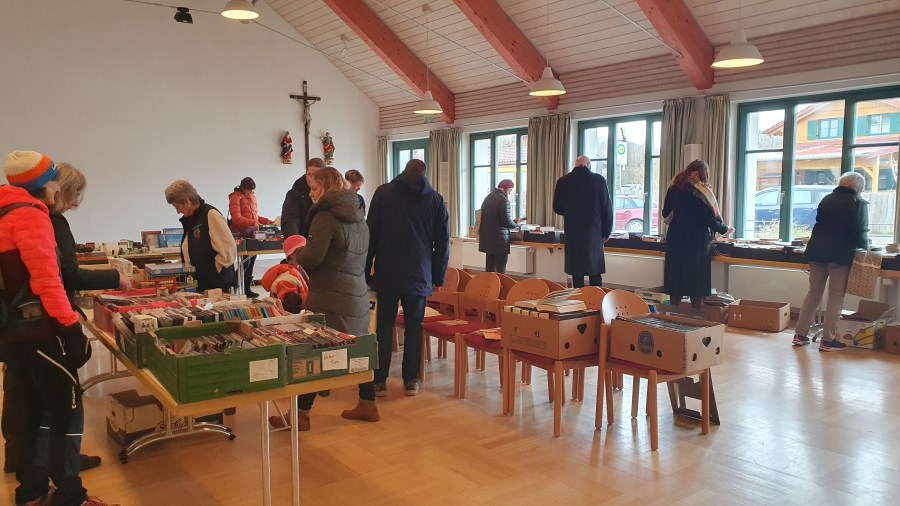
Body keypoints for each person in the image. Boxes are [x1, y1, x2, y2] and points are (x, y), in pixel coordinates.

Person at [0, 150, 117, 506]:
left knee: (27, 412)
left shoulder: (4, 212)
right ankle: (71, 497)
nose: (57, 188)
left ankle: (32, 493)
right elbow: (49, 281)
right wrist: (72, 330)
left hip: (11, 334)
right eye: (53, 181)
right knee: (67, 411)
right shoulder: (32, 217)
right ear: (44, 185)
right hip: (41, 331)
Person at [273, 167, 377, 430]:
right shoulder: (359, 216)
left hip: (329, 294)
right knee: (359, 348)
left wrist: (300, 255)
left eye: (314, 188)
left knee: (312, 351)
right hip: (356, 293)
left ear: (326, 188)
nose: (311, 193)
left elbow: (313, 257)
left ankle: (300, 415)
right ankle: (367, 403)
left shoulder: (325, 217)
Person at [366, 159, 449, 396]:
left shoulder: (383, 193)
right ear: (424, 173)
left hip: (388, 272)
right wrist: (438, 276)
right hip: (419, 274)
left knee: (383, 326)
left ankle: (379, 381)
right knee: (414, 327)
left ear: (403, 171)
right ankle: (411, 380)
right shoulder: (435, 199)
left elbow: (371, 234)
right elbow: (442, 243)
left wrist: (364, 271)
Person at [793, 172, 870, 352]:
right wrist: (866, 249)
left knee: (813, 293)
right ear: (858, 187)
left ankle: (800, 334)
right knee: (836, 296)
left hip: (816, 251)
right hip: (839, 254)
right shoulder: (858, 202)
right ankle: (828, 340)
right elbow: (861, 231)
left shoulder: (826, 199)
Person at [662, 159, 733, 309]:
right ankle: (696, 315)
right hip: (696, 242)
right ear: (703, 175)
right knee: (697, 282)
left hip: (675, 239)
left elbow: (665, 213)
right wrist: (724, 229)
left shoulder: (674, 187)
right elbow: (707, 219)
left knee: (676, 279)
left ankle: (672, 314)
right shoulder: (701, 192)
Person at [164, 180, 237, 292]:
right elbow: (193, 253)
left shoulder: (211, 215)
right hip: (201, 285)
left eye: (176, 207)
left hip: (216, 286)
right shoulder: (191, 219)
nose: (177, 212)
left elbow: (228, 252)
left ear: (186, 202)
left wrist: (212, 272)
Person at [552, 156, 613, 288]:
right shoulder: (599, 180)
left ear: (575, 165)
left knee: (576, 272)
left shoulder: (563, 181)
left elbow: (557, 207)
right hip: (594, 233)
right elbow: (606, 208)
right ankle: (596, 301)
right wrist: (606, 231)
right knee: (595, 272)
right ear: (589, 164)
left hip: (573, 232)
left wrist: (570, 212)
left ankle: (578, 301)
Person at [228, 177, 274, 297]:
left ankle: (247, 289)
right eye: (249, 190)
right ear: (243, 188)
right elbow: (236, 218)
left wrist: (268, 221)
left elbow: (256, 217)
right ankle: (233, 286)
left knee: (252, 261)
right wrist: (252, 223)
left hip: (253, 233)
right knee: (245, 263)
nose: (251, 193)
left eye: (253, 191)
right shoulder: (235, 198)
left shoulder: (253, 198)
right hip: (241, 234)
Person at [259, 235, 310, 315]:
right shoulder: (287, 276)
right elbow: (290, 306)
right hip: (288, 317)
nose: (308, 253)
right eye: (304, 250)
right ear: (292, 254)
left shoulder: (299, 269)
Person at [478, 179, 520, 273]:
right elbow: (506, 221)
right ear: (507, 188)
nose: (510, 192)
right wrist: (516, 225)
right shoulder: (503, 200)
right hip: (499, 241)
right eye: (511, 190)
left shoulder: (488, 198)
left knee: (489, 267)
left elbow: (494, 219)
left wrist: (512, 222)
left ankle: (489, 286)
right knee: (500, 268)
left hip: (487, 238)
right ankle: (501, 286)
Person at [281, 157, 326, 238]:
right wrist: (296, 243)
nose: (312, 178)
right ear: (306, 174)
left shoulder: (330, 194)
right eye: (309, 174)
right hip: (303, 242)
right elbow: (290, 221)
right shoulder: (295, 193)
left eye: (316, 174)